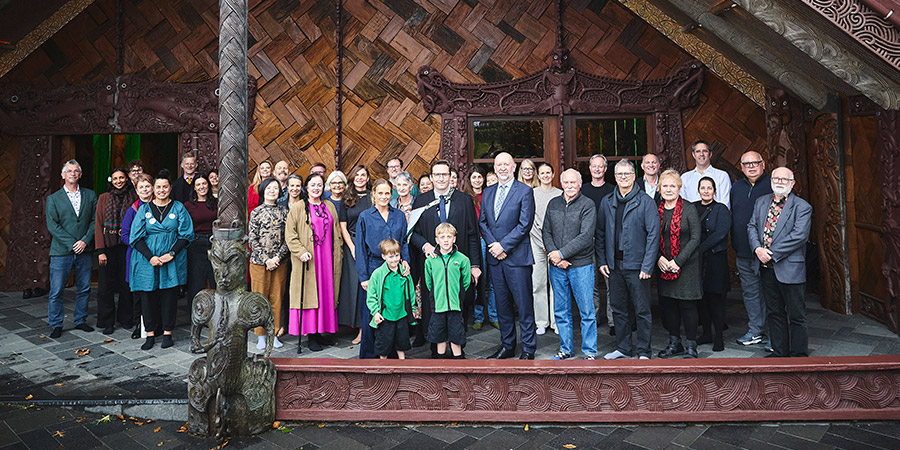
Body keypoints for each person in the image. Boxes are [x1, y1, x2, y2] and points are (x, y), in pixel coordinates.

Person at [411, 161, 481, 352]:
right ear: (431, 177)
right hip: (432, 266)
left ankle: (458, 347)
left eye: (445, 174)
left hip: (457, 265)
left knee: (459, 304)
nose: (441, 178)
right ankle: (436, 348)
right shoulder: (420, 201)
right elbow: (412, 233)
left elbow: (473, 235)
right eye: (437, 175)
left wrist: (474, 264)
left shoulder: (464, 200)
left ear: (451, 177)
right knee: (433, 306)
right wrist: (425, 245)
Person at [596, 159, 659, 360]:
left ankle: (643, 351)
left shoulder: (646, 202)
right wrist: (603, 261)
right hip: (614, 266)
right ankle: (623, 348)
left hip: (638, 267)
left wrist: (647, 265)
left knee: (641, 311)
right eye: (620, 174)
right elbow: (600, 233)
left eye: (627, 174)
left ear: (634, 176)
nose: (623, 177)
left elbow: (653, 236)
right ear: (615, 177)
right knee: (618, 309)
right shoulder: (607, 201)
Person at [748, 167, 812, 357]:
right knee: (774, 313)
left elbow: (799, 236)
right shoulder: (761, 202)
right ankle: (779, 351)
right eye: (776, 178)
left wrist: (771, 253)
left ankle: (799, 355)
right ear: (771, 180)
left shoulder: (802, 206)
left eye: (785, 179)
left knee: (796, 315)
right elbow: (751, 226)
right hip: (766, 268)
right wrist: (757, 249)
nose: (780, 182)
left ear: (792, 183)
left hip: (789, 268)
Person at [480, 152, 537, 360]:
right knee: (502, 306)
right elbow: (483, 223)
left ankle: (529, 348)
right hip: (495, 259)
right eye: (498, 165)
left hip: (517, 259)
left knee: (523, 305)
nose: (502, 168)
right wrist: (493, 246)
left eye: (506, 164)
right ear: (494, 168)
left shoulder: (524, 191)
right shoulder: (488, 192)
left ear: (514, 167)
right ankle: (508, 345)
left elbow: (524, 225)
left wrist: (503, 246)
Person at [129, 170, 194, 350]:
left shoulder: (178, 208)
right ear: (153, 189)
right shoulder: (144, 209)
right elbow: (135, 237)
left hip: (171, 259)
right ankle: (149, 334)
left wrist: (171, 253)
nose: (162, 190)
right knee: (148, 296)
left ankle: (167, 332)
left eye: (165, 186)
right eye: (158, 187)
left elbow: (187, 234)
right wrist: (151, 257)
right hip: (147, 260)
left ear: (170, 188)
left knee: (169, 296)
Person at [543, 169, 598, 360]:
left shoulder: (588, 205)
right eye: (566, 183)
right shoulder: (553, 204)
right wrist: (555, 256)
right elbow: (546, 232)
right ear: (561, 183)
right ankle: (566, 349)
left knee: (586, 311)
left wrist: (562, 253)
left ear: (580, 184)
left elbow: (586, 237)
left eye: (573, 183)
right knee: (561, 310)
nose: (569, 186)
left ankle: (590, 351)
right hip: (557, 267)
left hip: (581, 266)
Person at [286, 173, 343, 352]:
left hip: (327, 258)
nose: (316, 188)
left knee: (325, 294)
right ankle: (311, 335)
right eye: (313, 185)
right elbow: (290, 234)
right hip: (309, 259)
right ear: (307, 187)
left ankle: (321, 332)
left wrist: (338, 253)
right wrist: (301, 252)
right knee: (310, 294)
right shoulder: (299, 207)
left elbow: (336, 232)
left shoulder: (330, 206)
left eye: (319, 185)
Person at [356, 179, 410, 359]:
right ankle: (371, 356)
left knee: (394, 311)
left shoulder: (399, 216)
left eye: (387, 193)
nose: (384, 196)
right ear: (374, 194)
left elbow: (403, 242)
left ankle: (393, 355)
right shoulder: (365, 216)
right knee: (373, 313)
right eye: (380, 193)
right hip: (373, 267)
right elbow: (360, 249)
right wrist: (364, 276)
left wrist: (406, 262)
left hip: (395, 269)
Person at [46, 160, 98, 339]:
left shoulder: (90, 195)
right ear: (63, 175)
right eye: (69, 171)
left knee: (84, 288)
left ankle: (80, 320)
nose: (73, 174)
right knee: (57, 290)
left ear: (80, 174)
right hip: (61, 251)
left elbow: (94, 221)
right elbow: (53, 226)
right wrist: (72, 244)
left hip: (85, 249)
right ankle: (56, 324)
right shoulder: (53, 199)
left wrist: (84, 241)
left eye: (76, 171)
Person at [655, 169, 703, 359]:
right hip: (663, 265)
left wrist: (678, 261)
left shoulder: (689, 208)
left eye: (672, 186)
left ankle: (691, 345)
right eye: (665, 186)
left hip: (687, 266)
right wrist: (659, 258)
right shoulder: (655, 209)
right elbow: (650, 236)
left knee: (687, 306)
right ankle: (675, 344)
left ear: (679, 188)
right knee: (669, 306)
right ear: (659, 188)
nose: (668, 189)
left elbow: (695, 237)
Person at [731, 151, 773, 347]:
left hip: (767, 253)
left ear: (763, 164)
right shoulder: (737, 187)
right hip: (743, 251)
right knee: (750, 293)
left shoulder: (773, 185)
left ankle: (775, 335)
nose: (751, 167)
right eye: (747, 164)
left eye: (755, 163)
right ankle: (756, 331)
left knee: (772, 293)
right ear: (741, 167)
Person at [95, 168, 137, 335]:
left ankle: (125, 318)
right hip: (109, 248)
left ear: (126, 179)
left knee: (125, 284)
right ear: (111, 180)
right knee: (105, 287)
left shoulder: (133, 197)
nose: (119, 181)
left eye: (121, 178)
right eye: (115, 178)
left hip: (127, 247)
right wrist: (100, 250)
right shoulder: (104, 198)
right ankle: (107, 322)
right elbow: (98, 224)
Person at [249, 177, 290, 350]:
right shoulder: (256, 212)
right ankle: (260, 336)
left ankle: (274, 334)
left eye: (275, 188)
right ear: (263, 191)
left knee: (277, 298)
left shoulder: (285, 212)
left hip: (280, 263)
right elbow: (252, 239)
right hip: (259, 262)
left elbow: (288, 238)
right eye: (269, 188)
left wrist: (277, 258)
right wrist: (266, 259)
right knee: (260, 298)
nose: (272, 191)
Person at [581, 154, 617, 334]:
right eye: (594, 166)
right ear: (589, 168)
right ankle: (593, 318)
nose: (597, 169)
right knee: (591, 284)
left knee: (611, 283)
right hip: (588, 243)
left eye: (600, 166)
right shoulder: (583, 190)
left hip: (608, 242)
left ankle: (612, 321)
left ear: (605, 169)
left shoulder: (613, 190)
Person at [424, 223, 471, 359]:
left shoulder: (462, 259)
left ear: (454, 239)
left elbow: (466, 282)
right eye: (442, 237)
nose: (445, 240)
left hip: (455, 307)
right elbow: (428, 282)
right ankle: (441, 365)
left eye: (449, 236)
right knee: (440, 337)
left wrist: (457, 295)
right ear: (436, 239)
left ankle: (458, 364)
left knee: (456, 337)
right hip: (438, 307)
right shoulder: (430, 261)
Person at [694, 177, 731, 351]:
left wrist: (698, 249)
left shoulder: (721, 209)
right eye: (703, 188)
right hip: (698, 263)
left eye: (709, 188)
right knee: (701, 300)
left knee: (716, 300)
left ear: (714, 190)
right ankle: (706, 333)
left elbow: (720, 234)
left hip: (716, 261)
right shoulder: (692, 207)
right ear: (698, 190)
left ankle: (719, 338)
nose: (706, 191)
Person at [339, 165, 372, 344]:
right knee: (356, 288)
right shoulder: (347, 198)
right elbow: (342, 226)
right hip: (352, 245)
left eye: (363, 175)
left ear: (367, 178)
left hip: (370, 245)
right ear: (352, 178)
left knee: (368, 288)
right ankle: (358, 329)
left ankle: (368, 328)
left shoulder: (372, 197)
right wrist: (352, 247)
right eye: (357, 175)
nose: (360, 177)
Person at [367, 238, 415, 360]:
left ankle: (402, 363)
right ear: (384, 257)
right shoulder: (377, 274)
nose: (394, 259)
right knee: (384, 344)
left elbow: (411, 292)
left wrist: (412, 309)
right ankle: (383, 366)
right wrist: (375, 312)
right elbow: (371, 295)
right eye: (390, 257)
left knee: (402, 342)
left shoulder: (404, 272)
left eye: (397, 255)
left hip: (401, 314)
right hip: (385, 316)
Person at [121, 173, 154, 339]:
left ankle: (155, 324)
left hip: (156, 256)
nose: (145, 189)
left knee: (155, 292)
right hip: (137, 256)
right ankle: (139, 324)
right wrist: (142, 247)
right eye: (141, 187)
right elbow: (125, 235)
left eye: (147, 186)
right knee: (139, 294)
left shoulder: (160, 206)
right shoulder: (133, 210)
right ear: (136, 190)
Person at [465, 167, 497, 330]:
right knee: (478, 280)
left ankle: (493, 315)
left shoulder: (490, 194)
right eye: (474, 177)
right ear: (469, 179)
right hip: (475, 241)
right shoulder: (466, 198)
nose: (477, 180)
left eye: (480, 177)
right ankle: (478, 316)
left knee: (492, 280)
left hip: (490, 240)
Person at [531, 162, 562, 335]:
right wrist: (543, 243)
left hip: (556, 246)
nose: (545, 175)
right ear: (538, 175)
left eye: (548, 172)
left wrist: (551, 245)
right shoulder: (532, 194)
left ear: (553, 174)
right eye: (542, 173)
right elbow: (531, 221)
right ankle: (541, 321)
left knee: (556, 284)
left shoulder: (560, 194)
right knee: (538, 283)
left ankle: (557, 321)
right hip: (536, 244)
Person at [184, 173, 217, 306]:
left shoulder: (216, 203)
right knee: (196, 280)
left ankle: (215, 312)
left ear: (208, 186)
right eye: (198, 184)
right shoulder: (188, 205)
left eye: (204, 184)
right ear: (195, 188)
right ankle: (195, 313)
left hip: (214, 242)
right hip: (195, 244)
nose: (202, 187)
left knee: (214, 279)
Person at [680, 140, 732, 209]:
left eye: (705, 151)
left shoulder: (722, 176)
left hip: (715, 218)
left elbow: (725, 205)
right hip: (691, 218)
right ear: (693, 154)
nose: (701, 154)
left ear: (710, 154)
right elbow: (683, 205)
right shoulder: (685, 178)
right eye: (698, 151)